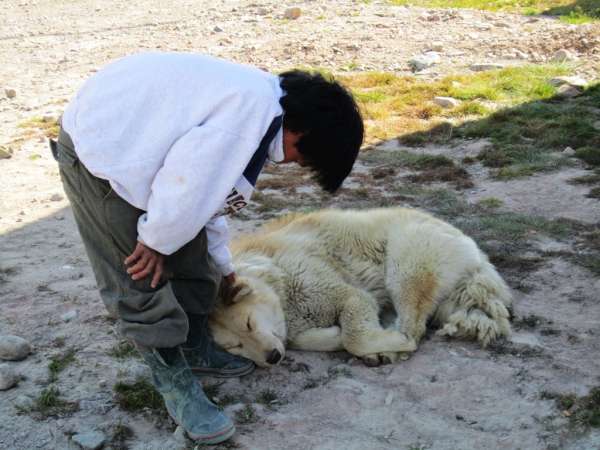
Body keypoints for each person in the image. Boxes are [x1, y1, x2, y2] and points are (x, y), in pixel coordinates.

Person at [50, 51, 363, 444]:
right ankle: (175, 386)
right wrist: (154, 241)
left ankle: (196, 349)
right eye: (305, 160)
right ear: (305, 133)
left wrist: (222, 263)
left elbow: (209, 203)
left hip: (143, 147)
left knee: (198, 265)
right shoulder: (244, 119)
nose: (294, 165)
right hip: (102, 153)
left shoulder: (261, 116)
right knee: (140, 275)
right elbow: (186, 183)